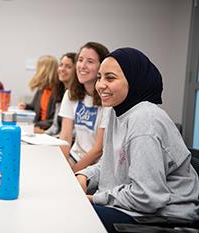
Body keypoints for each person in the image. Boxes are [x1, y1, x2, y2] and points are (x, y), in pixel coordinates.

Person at [76, 47, 199, 232]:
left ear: (133, 80)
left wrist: (95, 198)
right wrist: (86, 175)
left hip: (163, 218)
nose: (100, 85)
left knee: (75, 217)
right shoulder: (115, 112)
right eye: (100, 77)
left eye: (110, 78)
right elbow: (113, 162)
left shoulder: (145, 120)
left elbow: (147, 197)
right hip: (133, 208)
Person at [59, 42, 111, 173]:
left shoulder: (108, 99)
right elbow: (65, 137)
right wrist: (63, 167)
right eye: (80, 60)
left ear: (102, 67)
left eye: (90, 61)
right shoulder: (70, 94)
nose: (82, 66)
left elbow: (98, 149)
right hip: (75, 156)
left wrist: (72, 173)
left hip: (97, 165)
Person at [36, 52, 76, 136]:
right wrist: (42, 135)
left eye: (68, 67)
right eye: (61, 65)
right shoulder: (61, 92)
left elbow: (74, 133)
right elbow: (55, 127)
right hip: (57, 139)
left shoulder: (78, 97)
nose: (62, 69)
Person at [18, 55, 60, 131]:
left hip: (46, 130)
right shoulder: (42, 89)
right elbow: (34, 106)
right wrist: (26, 106)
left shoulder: (59, 91)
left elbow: (56, 120)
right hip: (38, 127)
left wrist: (36, 125)